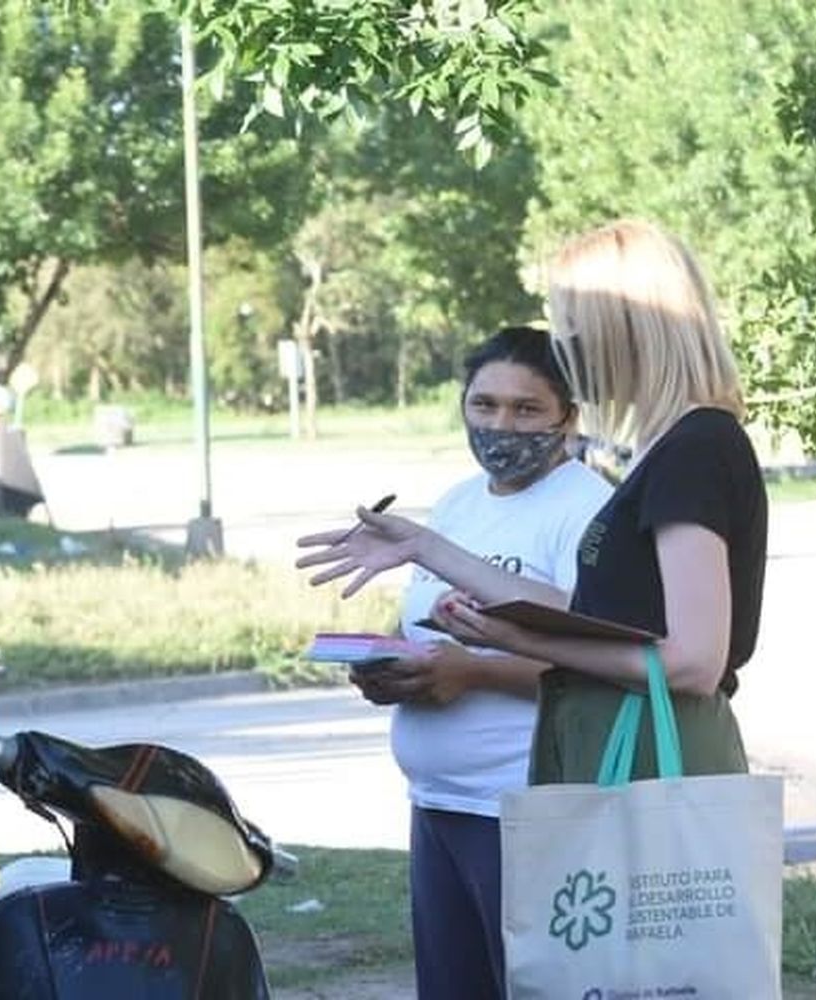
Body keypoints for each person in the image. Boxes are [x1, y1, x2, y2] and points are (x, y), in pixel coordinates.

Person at [300, 219, 764, 788]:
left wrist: (517, 642)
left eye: (571, 325)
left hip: (652, 760)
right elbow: (599, 619)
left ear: (624, 327)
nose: (564, 349)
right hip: (614, 748)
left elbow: (693, 662)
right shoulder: (664, 446)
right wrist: (423, 547)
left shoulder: (697, 446)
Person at [317, 328, 611, 999]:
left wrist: (472, 672)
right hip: (438, 804)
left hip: (522, 809)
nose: (500, 425)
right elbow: (420, 624)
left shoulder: (588, 510)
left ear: (569, 415)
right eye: (483, 405)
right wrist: (389, 667)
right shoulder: (457, 504)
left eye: (526, 409)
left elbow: (602, 659)